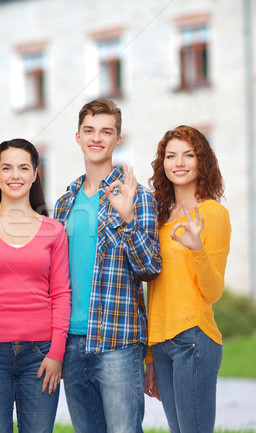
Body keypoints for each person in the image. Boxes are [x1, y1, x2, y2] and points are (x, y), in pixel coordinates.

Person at [53, 98, 161, 433]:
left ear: (117, 139)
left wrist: (127, 218)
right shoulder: (64, 203)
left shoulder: (139, 197)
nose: (96, 138)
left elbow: (149, 268)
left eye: (106, 131)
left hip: (117, 340)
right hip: (71, 341)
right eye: (89, 131)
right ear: (78, 137)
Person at [0, 139, 71, 433]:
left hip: (41, 353)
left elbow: (60, 294)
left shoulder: (53, 230)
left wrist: (57, 352)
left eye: (23, 168)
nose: (15, 175)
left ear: (35, 174)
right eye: (7, 168)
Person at [144, 125, 231, 433]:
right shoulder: (159, 217)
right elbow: (154, 289)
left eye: (188, 155)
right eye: (171, 156)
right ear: (162, 163)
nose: (179, 162)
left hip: (193, 339)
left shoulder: (213, 213)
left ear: (201, 162)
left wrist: (197, 250)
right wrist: (150, 355)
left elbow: (213, 291)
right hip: (163, 343)